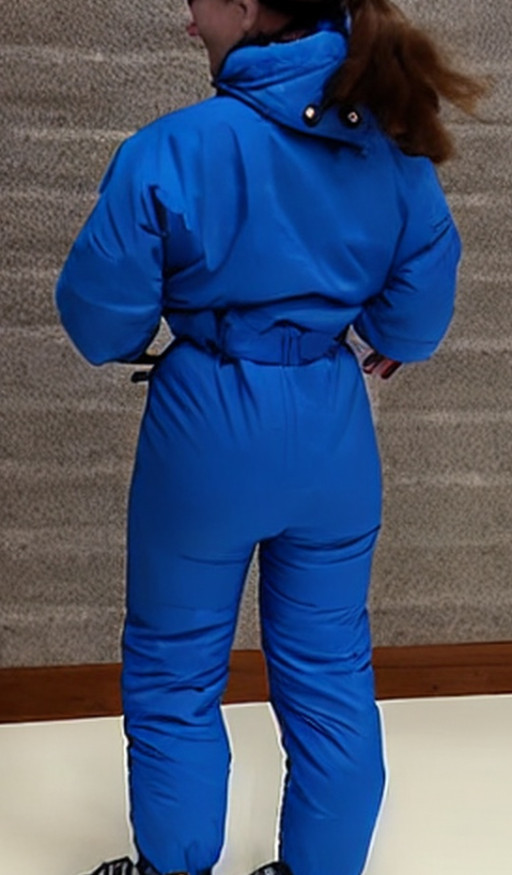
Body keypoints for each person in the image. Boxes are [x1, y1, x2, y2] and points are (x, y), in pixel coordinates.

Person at [55, 1, 486, 874]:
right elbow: (419, 308)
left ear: (247, 5)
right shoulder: (391, 147)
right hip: (332, 428)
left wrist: (150, 333)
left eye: (198, 1)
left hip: (206, 426)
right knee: (330, 670)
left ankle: (174, 863)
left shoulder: (171, 150)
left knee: (176, 666)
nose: (189, 22)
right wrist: (385, 338)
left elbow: (99, 321)